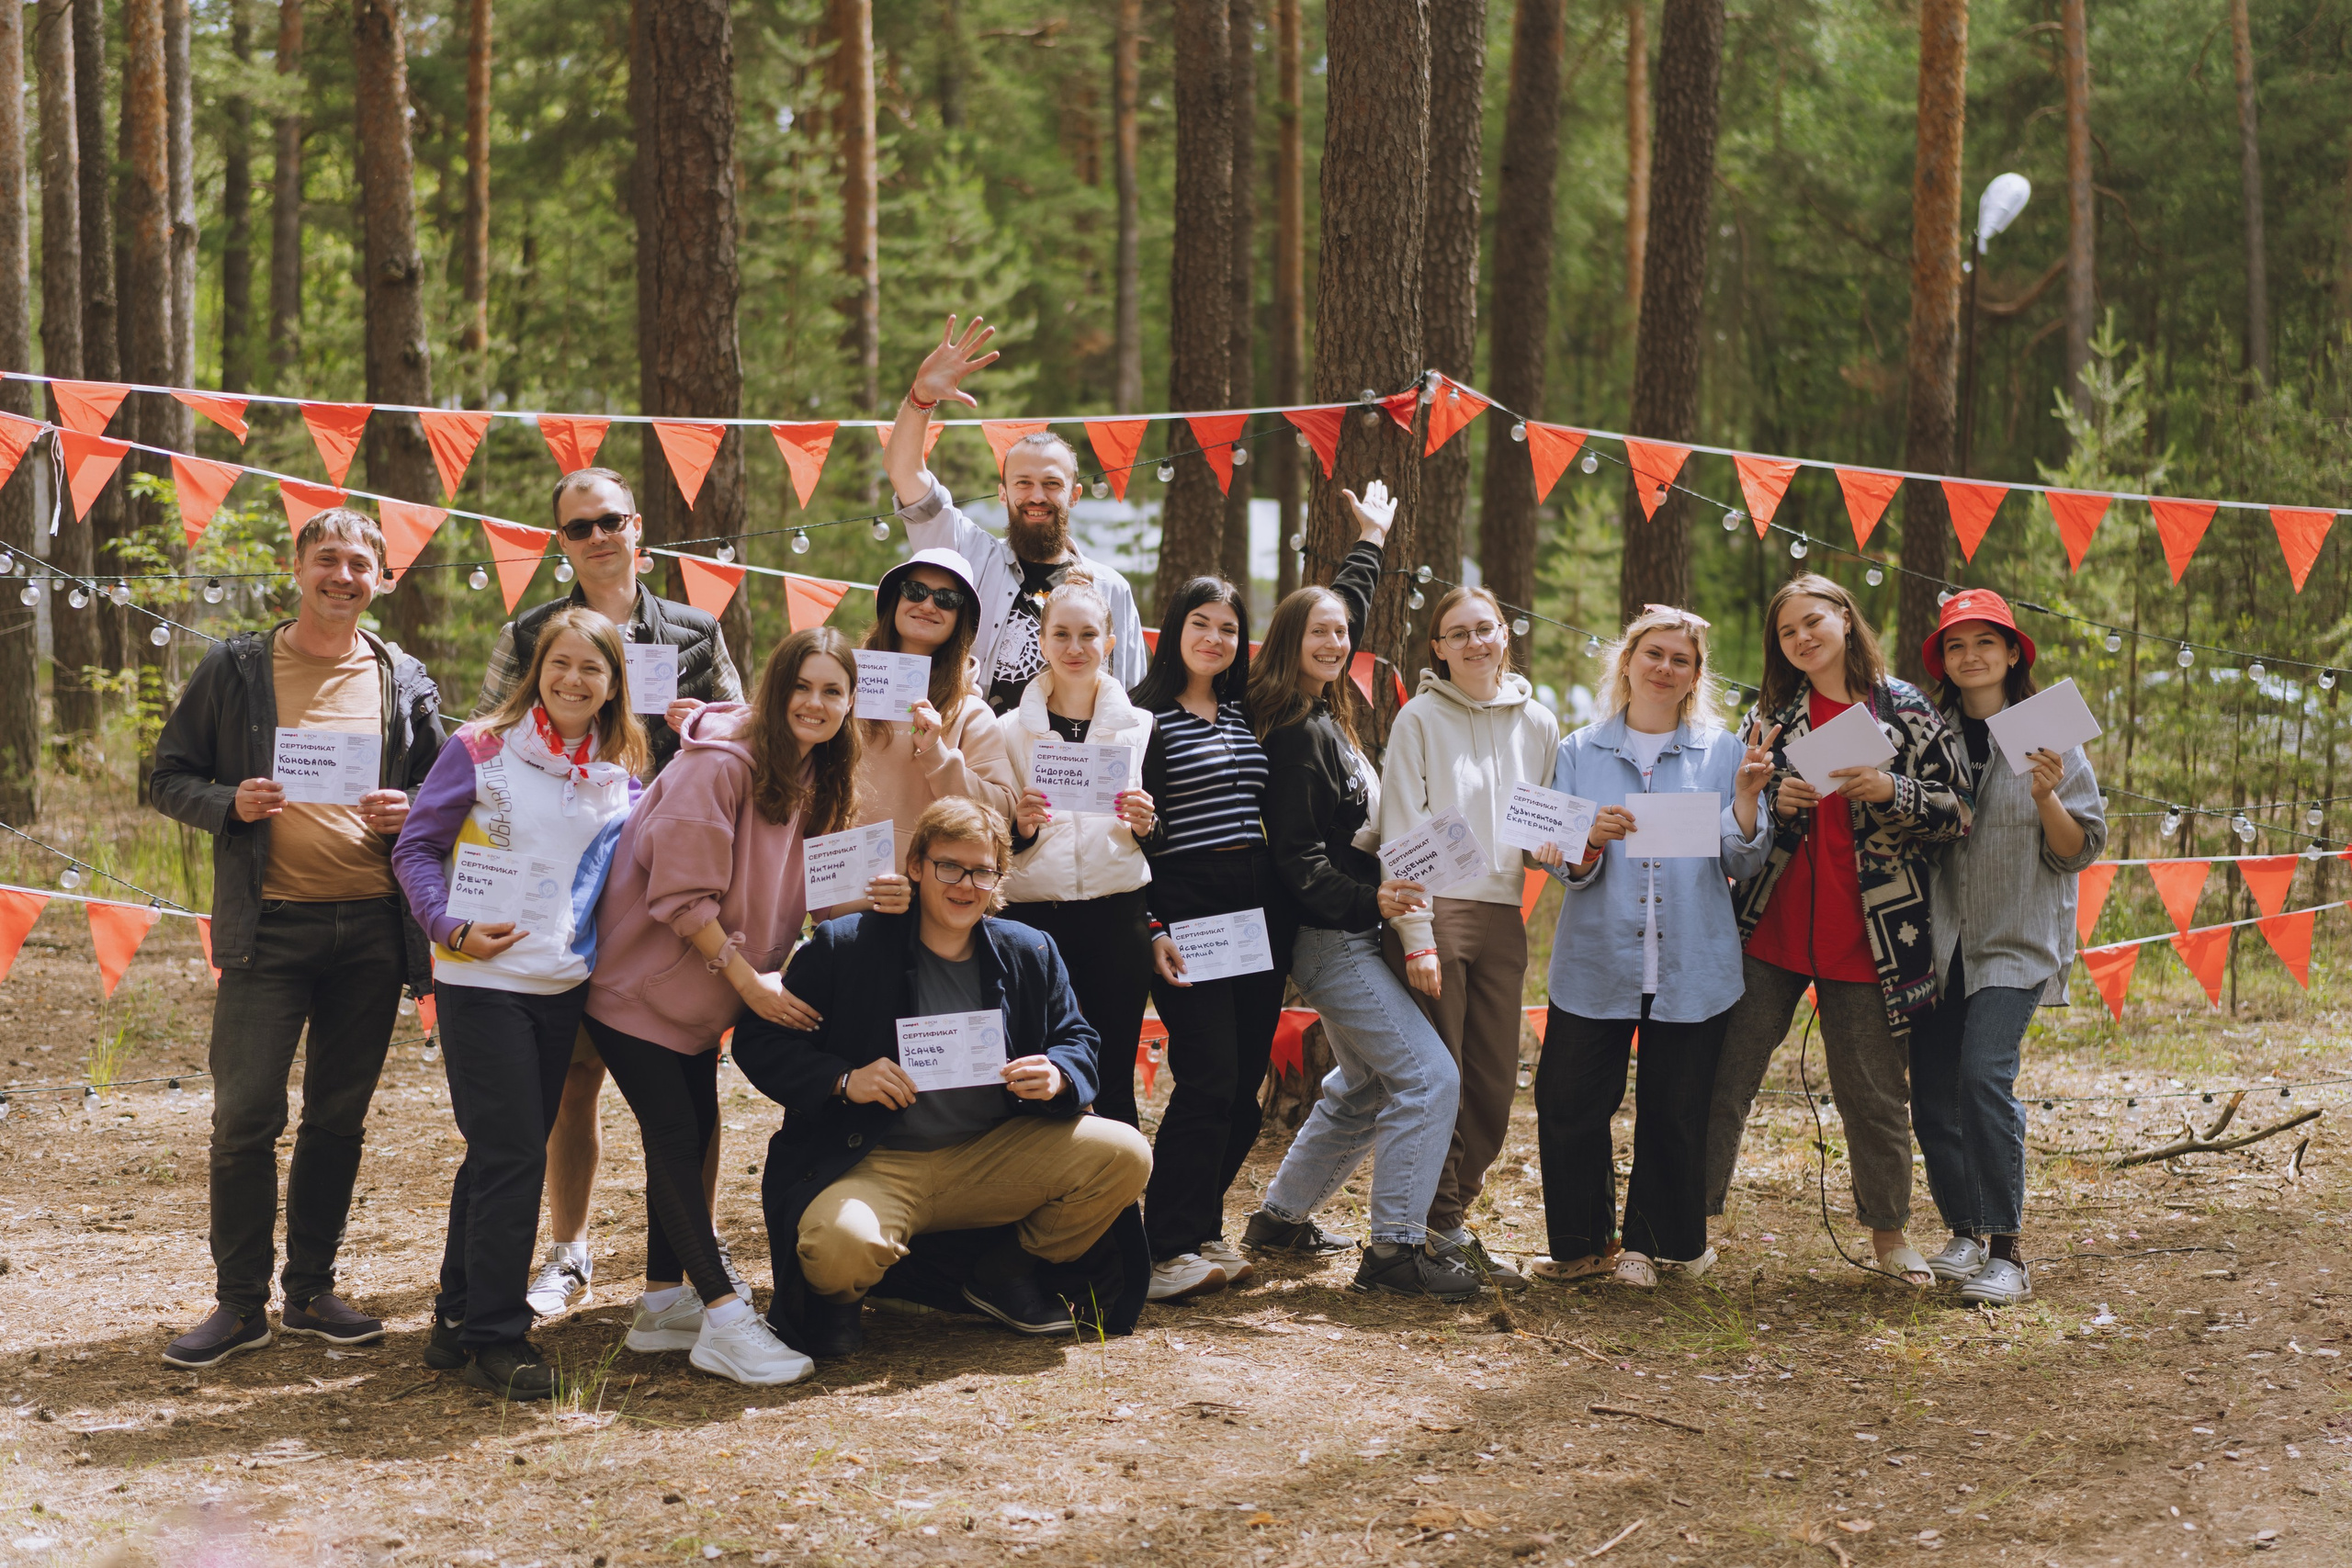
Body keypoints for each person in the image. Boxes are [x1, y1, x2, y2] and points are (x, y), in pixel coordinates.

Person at [150, 508, 445, 1368]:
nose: (342, 576)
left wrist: (414, 808)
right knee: (245, 1117)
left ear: (381, 578)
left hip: (370, 933)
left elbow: (447, 788)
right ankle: (239, 1305)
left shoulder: (403, 675)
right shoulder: (238, 665)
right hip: (266, 932)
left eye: (360, 564)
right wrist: (228, 803)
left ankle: (311, 1290)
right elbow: (167, 775)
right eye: (327, 560)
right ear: (297, 567)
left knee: (337, 1119)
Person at [583, 626, 907, 1386]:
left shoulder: (816, 777)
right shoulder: (720, 765)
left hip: (698, 1001)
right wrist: (750, 981)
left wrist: (882, 897)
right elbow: (679, 894)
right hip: (635, 987)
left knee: (696, 1134)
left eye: (834, 690)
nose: (816, 702)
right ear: (774, 690)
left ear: (851, 704)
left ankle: (664, 1305)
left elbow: (816, 896)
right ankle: (725, 1316)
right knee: (673, 1136)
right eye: (802, 686)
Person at [732, 797, 1154, 1357]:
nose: (965, 885)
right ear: (916, 867)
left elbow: (1080, 1040)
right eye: (949, 867)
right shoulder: (848, 946)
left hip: (992, 1155)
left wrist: (1057, 1073)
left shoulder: (1029, 950)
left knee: (1124, 1152)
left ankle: (1004, 1273)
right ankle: (840, 1303)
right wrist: (842, 1079)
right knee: (839, 1244)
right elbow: (759, 1041)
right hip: (875, 1162)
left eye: (983, 871)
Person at [471, 467, 746, 1323]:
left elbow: (742, 735)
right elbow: (485, 738)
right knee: (573, 1079)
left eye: (609, 521)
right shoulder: (527, 635)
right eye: (578, 526)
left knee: (686, 1071)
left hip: (670, 886)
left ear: (639, 532)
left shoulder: (698, 631)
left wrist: (696, 728)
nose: (596, 536)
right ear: (561, 543)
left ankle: (693, 1251)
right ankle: (571, 1252)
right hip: (564, 882)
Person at [391, 608, 648, 1397]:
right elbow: (416, 846)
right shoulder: (479, 746)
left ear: (612, 687)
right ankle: (498, 1339)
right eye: (560, 664)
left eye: (592, 670)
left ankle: (456, 1316)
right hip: (480, 982)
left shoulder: (619, 769)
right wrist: (449, 925)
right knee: (513, 1154)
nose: (574, 680)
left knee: (499, 1151)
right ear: (538, 669)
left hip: (562, 986)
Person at [1237, 481, 1481, 1300]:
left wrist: (1369, 543)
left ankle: (1281, 1216)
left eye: (1343, 633)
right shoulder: (1298, 734)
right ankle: (1395, 1252)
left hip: (1349, 931)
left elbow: (1340, 610)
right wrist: (1370, 901)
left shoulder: (1324, 704)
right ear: (1286, 643)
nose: (1337, 641)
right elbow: (1296, 865)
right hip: (1331, 940)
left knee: (1365, 1081)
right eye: (1319, 634)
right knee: (1428, 1077)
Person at [1703, 574, 1972, 1287]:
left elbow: (1957, 811)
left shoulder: (1905, 706)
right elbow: (1738, 814)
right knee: (1725, 1075)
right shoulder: (1768, 714)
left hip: (1875, 935)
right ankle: (1690, 1226)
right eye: (1788, 631)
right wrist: (1774, 798)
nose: (1802, 638)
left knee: (1873, 1092)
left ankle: (1889, 1236)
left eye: (1813, 622)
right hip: (1769, 925)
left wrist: (1891, 790)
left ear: (1846, 620)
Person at [1524, 606, 1773, 1287]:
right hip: (1597, 956)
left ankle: (1651, 1246)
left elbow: (1743, 858)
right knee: (1569, 1098)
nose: (1665, 667)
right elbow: (1559, 857)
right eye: (1654, 654)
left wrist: (1748, 798)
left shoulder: (1723, 752)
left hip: (1693, 958)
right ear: (1628, 661)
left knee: (1677, 1104)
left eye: (1681, 659)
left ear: (1695, 675)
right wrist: (1588, 840)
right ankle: (1581, 1245)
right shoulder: (1578, 751)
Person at [1914, 591, 2104, 1307]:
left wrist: (2049, 794)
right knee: (1932, 1090)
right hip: (1940, 941)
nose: (1971, 657)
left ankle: (2007, 1250)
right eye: (1956, 646)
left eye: (1985, 643)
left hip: (2016, 940)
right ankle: (1963, 1229)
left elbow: (2077, 848)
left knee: (1982, 1077)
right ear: (1943, 660)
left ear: (2013, 651)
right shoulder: (1928, 737)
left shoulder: (2049, 731)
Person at [1375, 585, 1561, 1290]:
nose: (1475, 642)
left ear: (1505, 633)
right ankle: (1439, 1228)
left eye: (1485, 628)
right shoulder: (1419, 718)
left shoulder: (1538, 721)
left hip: (1503, 914)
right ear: (1439, 648)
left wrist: (1563, 847)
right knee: (1441, 1076)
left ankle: (1449, 1215)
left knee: (1490, 1083)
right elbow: (1402, 827)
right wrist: (1416, 934)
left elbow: (1541, 826)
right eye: (1459, 633)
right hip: (1437, 910)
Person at [1132, 577, 1281, 1302]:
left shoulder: (1247, 711)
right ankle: (1165, 1249)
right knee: (1209, 1075)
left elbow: (1324, 633)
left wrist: (1370, 549)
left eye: (1229, 627)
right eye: (1201, 622)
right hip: (1184, 904)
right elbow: (1128, 838)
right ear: (1174, 628)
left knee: (1245, 1086)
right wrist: (1152, 924)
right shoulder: (1141, 717)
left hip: (1254, 912)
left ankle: (1200, 1225)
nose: (1215, 638)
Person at [885, 314, 1147, 712]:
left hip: (1068, 769)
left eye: (1052, 484)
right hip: (973, 764)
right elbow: (906, 471)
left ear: (1074, 495)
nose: (1036, 496)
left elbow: (1132, 700)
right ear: (1002, 493)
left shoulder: (1110, 589)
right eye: (1023, 483)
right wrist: (922, 397)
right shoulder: (969, 556)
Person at [997, 577, 1159, 1128]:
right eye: (1061, 634)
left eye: (1088, 635)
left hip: (1118, 919)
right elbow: (988, 838)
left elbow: (1164, 834)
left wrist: (1146, 824)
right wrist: (1017, 828)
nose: (1074, 647)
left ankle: (1117, 1211)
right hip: (1033, 923)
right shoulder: (1006, 732)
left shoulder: (1142, 727)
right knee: (1037, 1072)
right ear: (1041, 641)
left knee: (1114, 1077)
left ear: (1109, 644)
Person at [836, 546, 1019, 900]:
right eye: (915, 591)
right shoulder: (844, 690)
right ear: (894, 601)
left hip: (927, 899)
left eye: (947, 599)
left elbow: (1001, 814)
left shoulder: (970, 713)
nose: (929, 605)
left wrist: (936, 754)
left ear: (960, 619)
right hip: (840, 889)